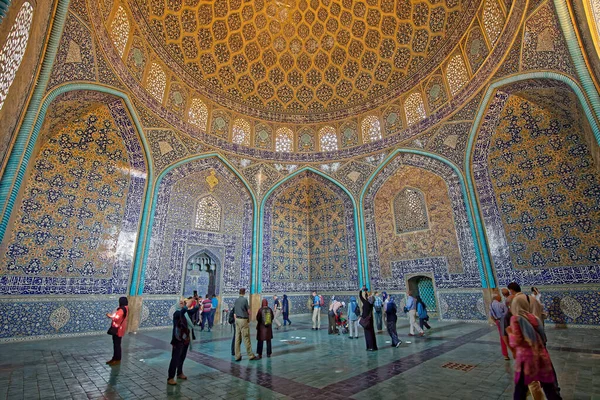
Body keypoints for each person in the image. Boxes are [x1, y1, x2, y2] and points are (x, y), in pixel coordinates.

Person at [508, 295, 562, 400]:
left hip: (526, 360)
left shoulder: (516, 319)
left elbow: (516, 341)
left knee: (520, 390)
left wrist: (510, 333)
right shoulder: (534, 317)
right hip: (541, 357)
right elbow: (543, 337)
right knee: (549, 387)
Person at [167, 299, 193, 385]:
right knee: (175, 358)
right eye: (181, 303)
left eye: (183, 303)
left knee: (182, 356)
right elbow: (182, 312)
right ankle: (170, 377)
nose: (182, 304)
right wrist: (186, 306)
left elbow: (193, 310)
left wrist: (195, 304)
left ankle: (179, 373)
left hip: (185, 339)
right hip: (177, 339)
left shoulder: (185, 314)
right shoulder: (177, 313)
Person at [233, 288, 258, 361]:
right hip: (243, 320)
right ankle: (250, 355)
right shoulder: (244, 300)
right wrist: (249, 316)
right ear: (244, 293)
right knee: (246, 338)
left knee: (237, 338)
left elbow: (234, 312)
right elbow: (248, 311)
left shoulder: (236, 300)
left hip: (237, 320)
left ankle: (237, 356)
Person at [106, 296, 128, 366]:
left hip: (118, 329)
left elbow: (116, 318)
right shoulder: (126, 308)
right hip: (120, 328)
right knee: (117, 344)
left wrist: (109, 316)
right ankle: (114, 358)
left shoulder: (122, 309)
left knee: (117, 345)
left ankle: (117, 359)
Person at [489, 294, 510, 360]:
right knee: (509, 335)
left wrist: (496, 321)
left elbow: (491, 316)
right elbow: (507, 313)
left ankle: (505, 355)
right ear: (496, 297)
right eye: (499, 296)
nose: (500, 297)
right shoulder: (501, 304)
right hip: (504, 321)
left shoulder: (491, 305)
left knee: (502, 337)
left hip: (498, 321)